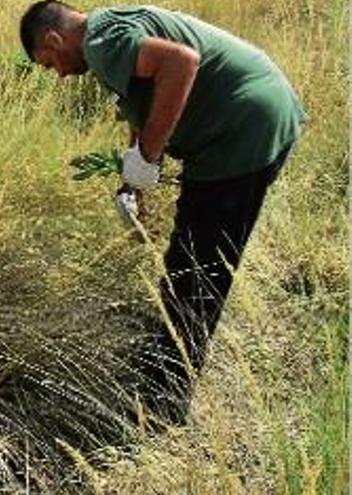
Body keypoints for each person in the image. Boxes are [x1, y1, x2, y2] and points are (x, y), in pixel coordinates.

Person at [19, 2, 305, 423]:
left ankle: (162, 409)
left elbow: (181, 62)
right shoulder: (109, 31)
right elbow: (146, 101)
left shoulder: (100, 42)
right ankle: (160, 378)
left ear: (54, 39)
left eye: (50, 64)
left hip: (241, 132)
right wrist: (132, 181)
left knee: (196, 274)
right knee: (190, 269)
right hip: (260, 114)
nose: (59, 74)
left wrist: (149, 156)